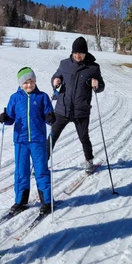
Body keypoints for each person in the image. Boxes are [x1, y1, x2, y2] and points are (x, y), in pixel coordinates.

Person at [0, 67, 56, 216]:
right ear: (20, 83)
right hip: (21, 140)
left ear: (35, 81)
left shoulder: (42, 97)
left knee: (41, 170)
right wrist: (5, 119)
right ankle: (21, 201)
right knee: (21, 171)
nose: (29, 85)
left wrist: (50, 118)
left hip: (38, 140)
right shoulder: (15, 98)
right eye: (25, 82)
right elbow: (10, 118)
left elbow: (49, 116)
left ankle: (47, 201)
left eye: (31, 81)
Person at [48, 36, 105, 173]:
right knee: (51, 138)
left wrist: (97, 85)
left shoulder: (93, 68)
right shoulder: (64, 64)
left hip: (81, 111)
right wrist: (55, 80)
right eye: (75, 53)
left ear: (85, 53)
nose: (77, 55)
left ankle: (89, 160)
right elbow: (56, 76)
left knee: (84, 138)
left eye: (80, 53)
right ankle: (41, 163)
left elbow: (101, 86)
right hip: (62, 109)